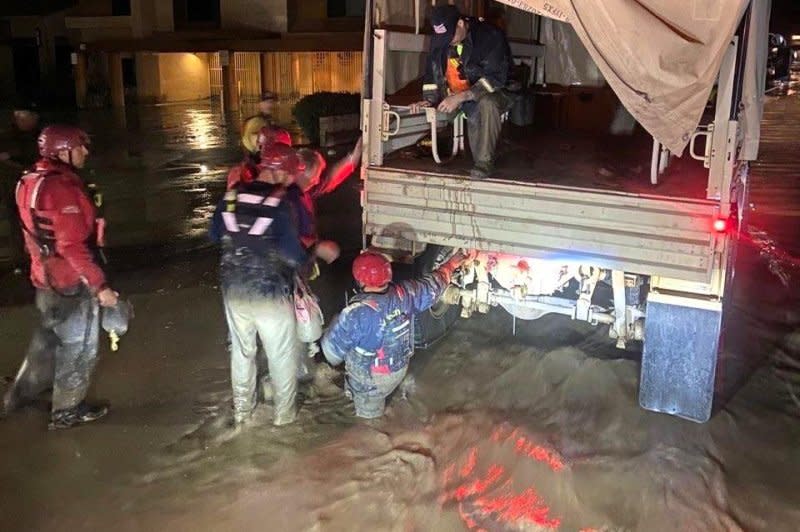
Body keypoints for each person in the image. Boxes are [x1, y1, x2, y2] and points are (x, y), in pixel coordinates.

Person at [2, 125, 119, 430]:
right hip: (70, 282)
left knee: (46, 341)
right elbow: (71, 246)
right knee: (79, 348)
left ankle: (19, 396)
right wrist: (100, 285)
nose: (86, 152)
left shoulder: (29, 181)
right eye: (80, 147)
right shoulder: (62, 189)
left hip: (44, 278)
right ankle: (67, 411)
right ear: (62, 151)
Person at [212, 143, 336, 427]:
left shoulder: (231, 197)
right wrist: (318, 249)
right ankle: (284, 419)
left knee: (242, 354)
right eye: (290, 174)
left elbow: (215, 234)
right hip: (270, 294)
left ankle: (243, 414)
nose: (292, 180)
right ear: (279, 171)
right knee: (281, 358)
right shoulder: (280, 207)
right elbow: (295, 257)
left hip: (233, 292)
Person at [321, 249, 473, 419]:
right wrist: (451, 264)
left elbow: (331, 352)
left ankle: (372, 422)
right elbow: (434, 285)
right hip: (398, 370)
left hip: (371, 381)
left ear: (359, 279)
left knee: (367, 422)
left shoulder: (356, 314)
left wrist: (336, 322)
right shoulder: (406, 294)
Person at [410, 5, 512, 180]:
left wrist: (461, 97)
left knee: (486, 103)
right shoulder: (441, 39)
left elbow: (495, 80)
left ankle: (484, 164)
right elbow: (431, 76)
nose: (447, 42)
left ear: (460, 23)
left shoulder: (490, 37)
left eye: (451, 36)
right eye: (443, 38)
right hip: (458, 96)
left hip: (494, 91)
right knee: (433, 114)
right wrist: (429, 100)